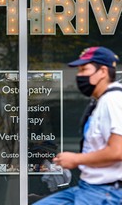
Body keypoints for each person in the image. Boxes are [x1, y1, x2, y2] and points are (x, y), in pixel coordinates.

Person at [33, 46, 122, 205]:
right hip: (86, 187)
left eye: (84, 69)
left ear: (102, 71)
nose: (79, 76)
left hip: (104, 192)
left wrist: (76, 159)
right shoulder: (101, 101)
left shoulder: (112, 101)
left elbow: (118, 151)